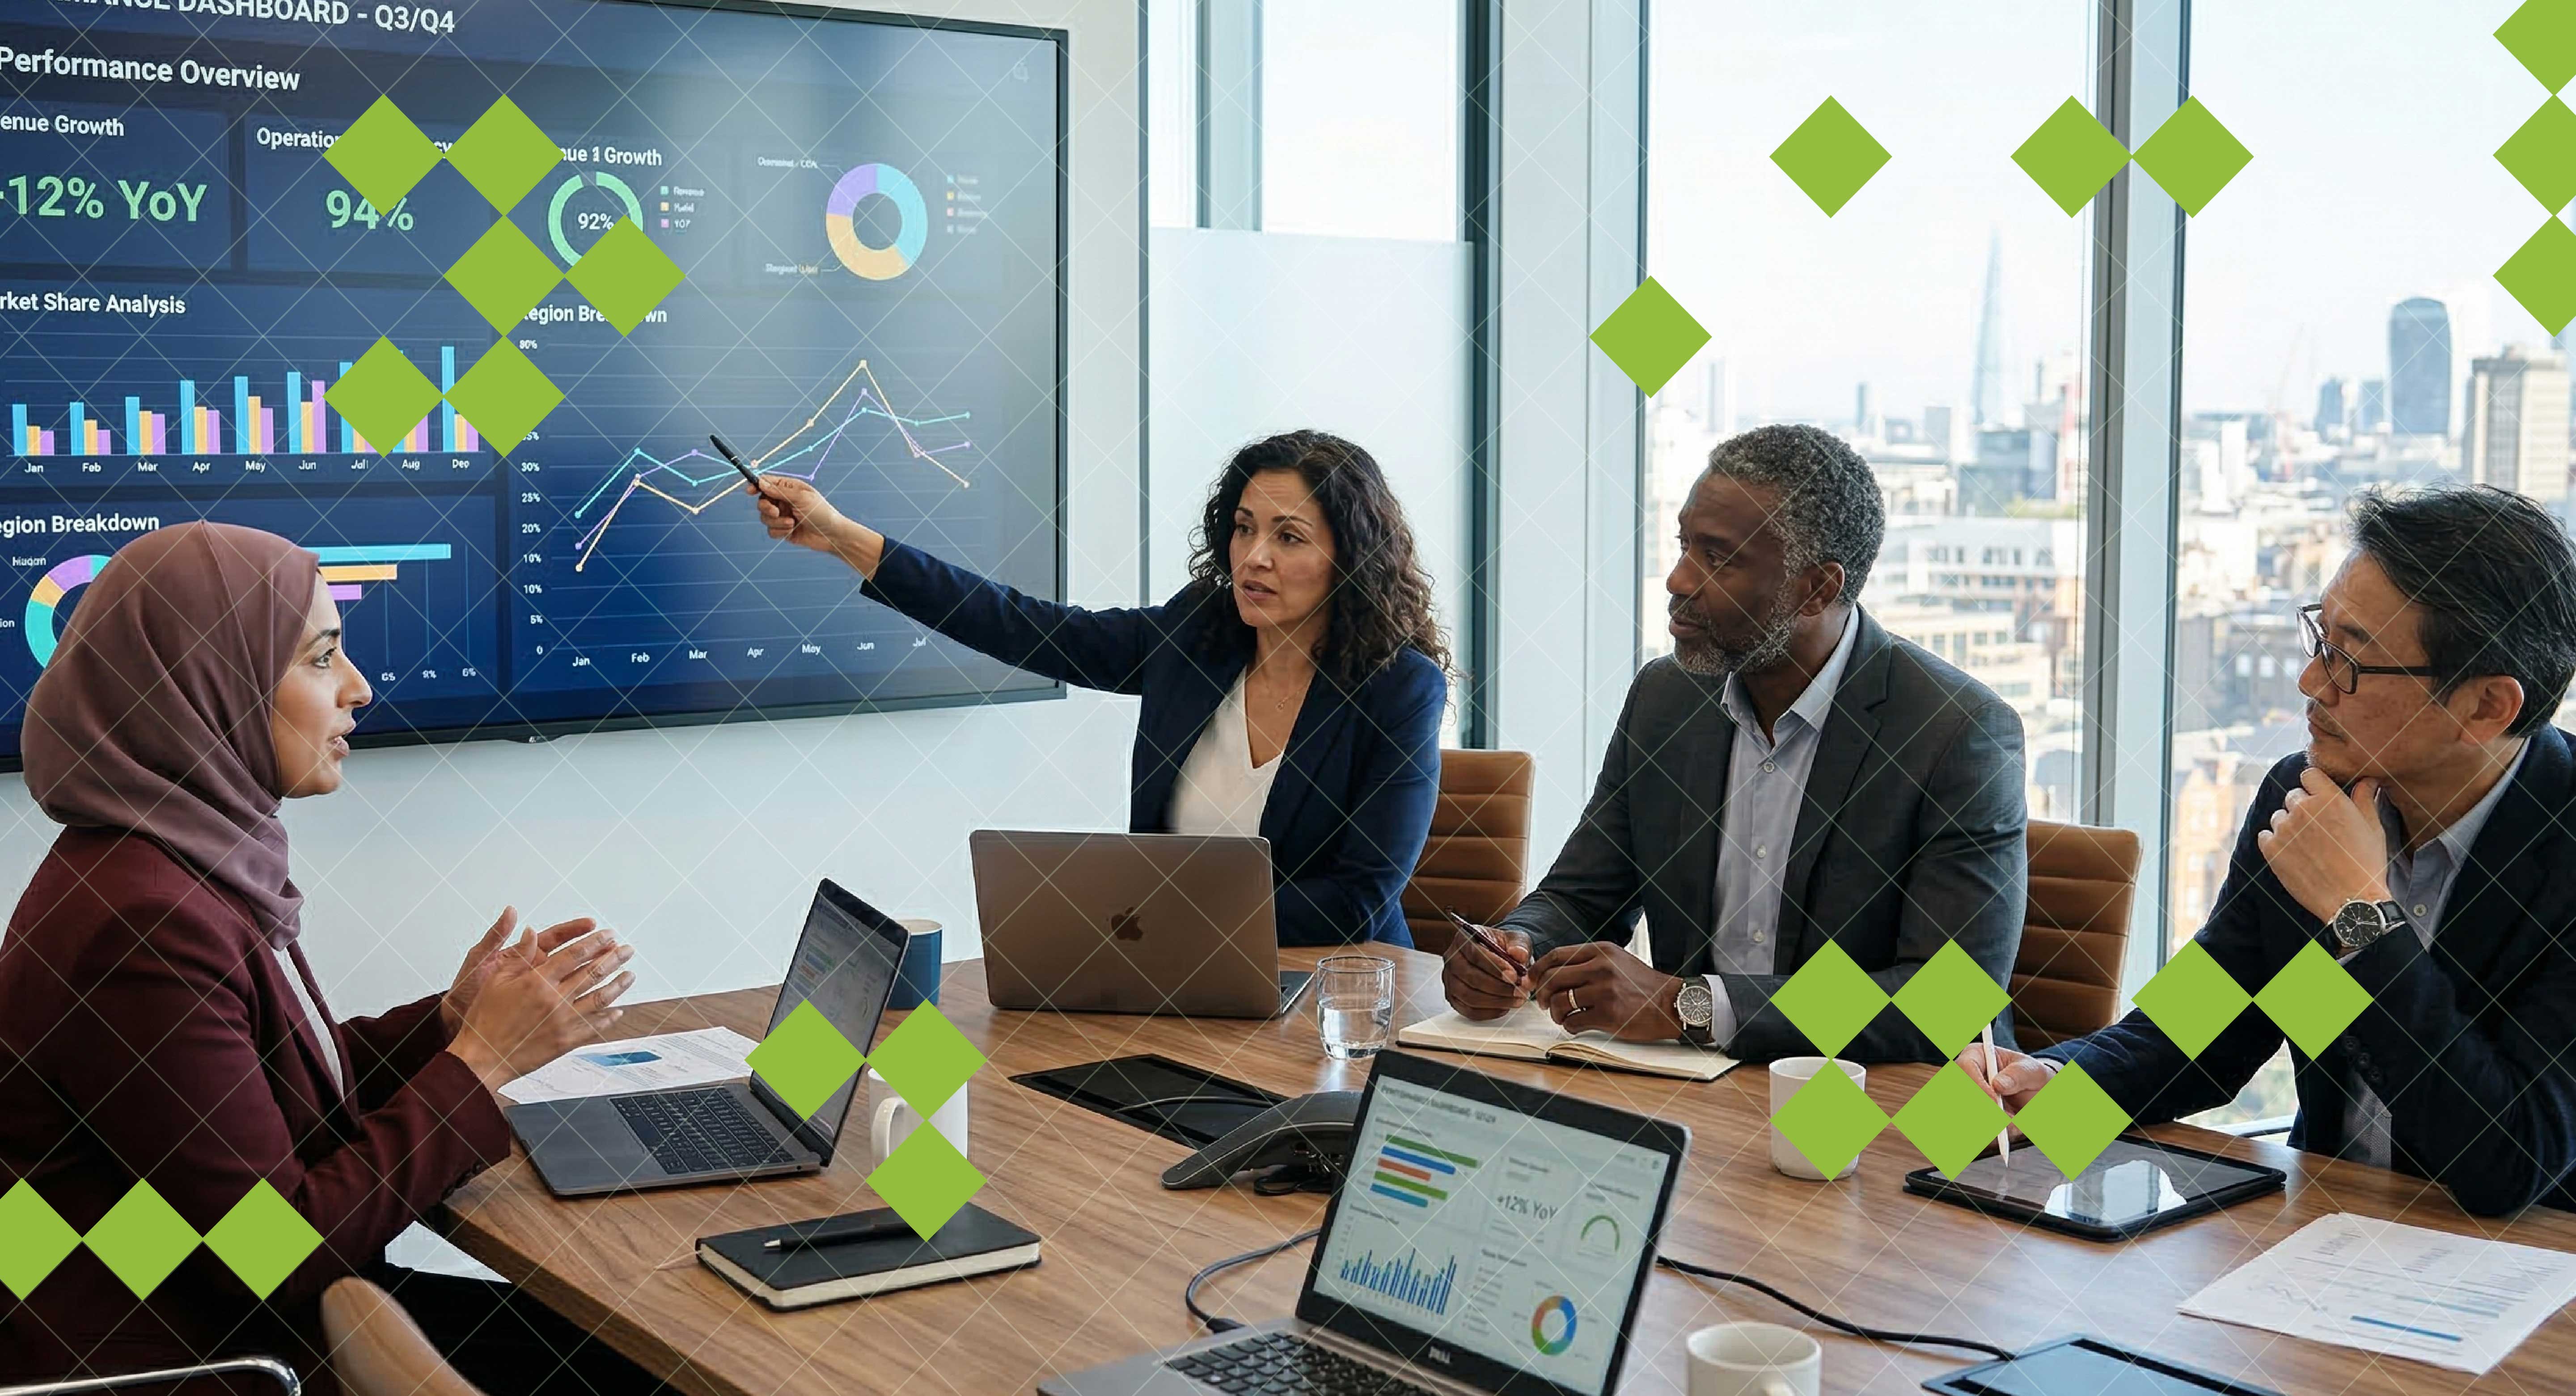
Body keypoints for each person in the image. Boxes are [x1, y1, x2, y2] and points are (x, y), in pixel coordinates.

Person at [0, 523, 651, 1395]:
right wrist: (481, 1062)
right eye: (320, 658)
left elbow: (257, 1094)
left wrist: (448, 1024)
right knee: (645, 1362)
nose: (358, 686)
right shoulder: (145, 923)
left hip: (217, 1309)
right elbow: (273, 1251)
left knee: (620, 1350)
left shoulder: (163, 860)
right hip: (197, 1355)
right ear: (209, 683)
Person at [1963, 486, 2576, 1217]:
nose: (2311, 681)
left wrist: (2360, 914)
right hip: (2320, 1226)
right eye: (2320, 640)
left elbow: (2504, 1165)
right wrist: (2060, 1081)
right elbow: (2209, 1026)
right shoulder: (2305, 794)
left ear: (2486, 707)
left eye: (2351, 662)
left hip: (2522, 1261)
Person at [1442, 424, 2027, 1060]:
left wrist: (1689, 1005)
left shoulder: (1955, 729)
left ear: (1817, 589)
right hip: (1690, 1081)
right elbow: (1582, 896)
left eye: (1718, 558)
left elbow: (1946, 1000)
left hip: (1876, 1096)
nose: (1678, 579)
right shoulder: (1667, 698)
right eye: (1684, 545)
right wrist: (1514, 946)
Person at [749, 429, 1448, 947]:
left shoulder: (1400, 689)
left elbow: (1355, 900)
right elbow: (1025, 626)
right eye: (1243, 529)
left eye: (1288, 537)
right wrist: (841, 537)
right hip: (1176, 974)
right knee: (985, 1068)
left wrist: (1151, 914)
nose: (1253, 557)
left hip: (1338, 1000)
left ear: (1350, 558)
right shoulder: (1196, 636)